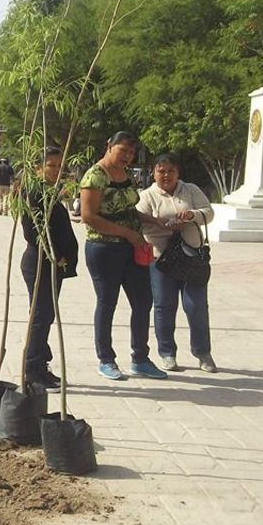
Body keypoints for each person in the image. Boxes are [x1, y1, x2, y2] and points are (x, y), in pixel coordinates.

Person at [80, 131, 165, 381]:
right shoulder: (94, 176)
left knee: (142, 301)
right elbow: (89, 217)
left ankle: (140, 358)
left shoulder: (126, 174)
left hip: (132, 248)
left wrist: (154, 221)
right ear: (109, 146)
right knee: (107, 303)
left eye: (131, 152)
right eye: (123, 150)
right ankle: (106, 359)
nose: (127, 156)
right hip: (104, 249)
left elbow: (130, 209)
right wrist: (128, 234)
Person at [136, 153, 217, 373]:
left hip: (191, 257)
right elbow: (140, 221)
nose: (166, 175)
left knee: (196, 306)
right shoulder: (147, 195)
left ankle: (202, 352)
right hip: (161, 259)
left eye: (171, 170)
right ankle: (167, 353)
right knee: (164, 306)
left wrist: (191, 215)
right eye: (161, 170)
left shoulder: (190, 190)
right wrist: (163, 224)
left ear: (178, 172)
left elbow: (208, 213)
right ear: (154, 173)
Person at [20, 146, 78, 392]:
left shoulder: (51, 192)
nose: (55, 170)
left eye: (59, 166)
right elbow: (32, 231)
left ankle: (41, 364)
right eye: (51, 165)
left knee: (45, 316)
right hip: (41, 263)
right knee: (40, 317)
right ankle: (32, 370)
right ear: (38, 168)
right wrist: (55, 255)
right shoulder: (33, 192)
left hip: (54, 263)